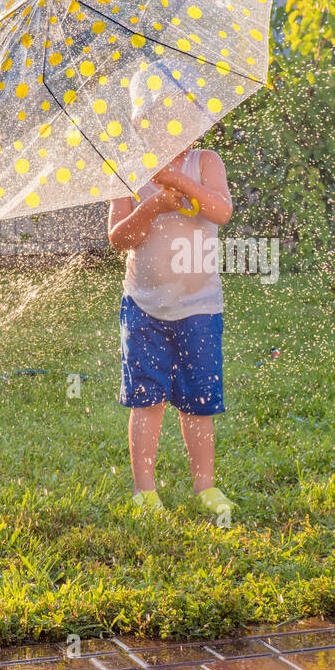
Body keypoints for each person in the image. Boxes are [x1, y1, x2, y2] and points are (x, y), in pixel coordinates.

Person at [106, 144, 235, 521]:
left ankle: (205, 486)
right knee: (147, 399)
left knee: (199, 400)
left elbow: (222, 211)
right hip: (144, 307)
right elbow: (119, 240)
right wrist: (154, 205)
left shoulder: (205, 162)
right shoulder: (127, 172)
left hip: (200, 308)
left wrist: (178, 181)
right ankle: (144, 491)